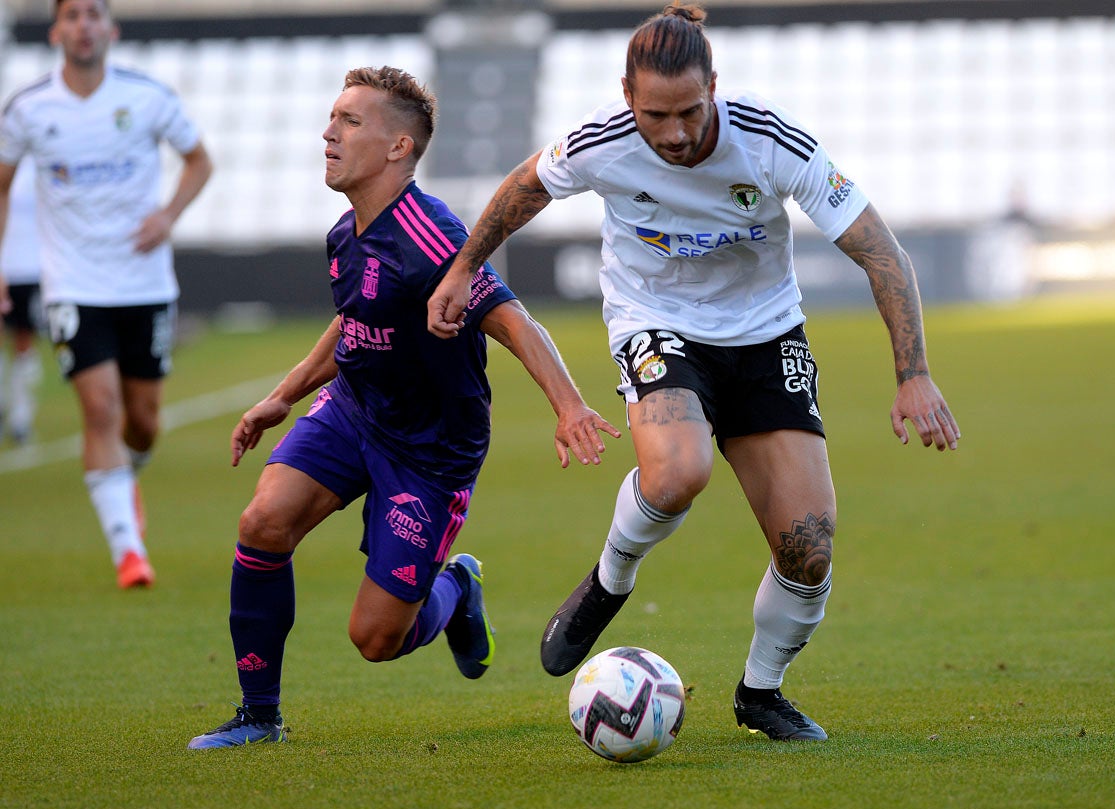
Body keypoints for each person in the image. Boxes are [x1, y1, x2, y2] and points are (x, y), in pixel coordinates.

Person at [428, 2, 961, 742]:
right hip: (656, 322)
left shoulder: (771, 140)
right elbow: (523, 190)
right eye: (655, 115)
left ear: (715, 84)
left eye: (689, 111)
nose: (674, 133)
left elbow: (879, 251)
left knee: (807, 548)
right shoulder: (599, 141)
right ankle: (610, 580)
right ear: (626, 96)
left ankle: (759, 693)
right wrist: (461, 270)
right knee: (679, 472)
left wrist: (914, 372)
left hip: (766, 334)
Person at [187, 66, 619, 750]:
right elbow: (354, 323)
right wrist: (282, 396)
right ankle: (258, 715)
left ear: (397, 147)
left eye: (349, 122)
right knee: (263, 522)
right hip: (353, 412)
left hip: (429, 452)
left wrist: (567, 405)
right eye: (331, 118)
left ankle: (455, 591)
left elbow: (511, 320)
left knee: (376, 639)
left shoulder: (429, 236)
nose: (328, 133)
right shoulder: (345, 234)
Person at [0, 0, 213, 588]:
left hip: (144, 284)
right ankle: (128, 551)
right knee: (99, 410)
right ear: (56, 31)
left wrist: (169, 215)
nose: (83, 25)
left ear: (110, 30)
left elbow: (199, 162)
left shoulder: (147, 97)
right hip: (71, 284)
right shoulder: (27, 109)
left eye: (94, 14)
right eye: (72, 15)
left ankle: (126, 479)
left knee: (142, 422)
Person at [0, 158, 42, 445]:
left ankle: (21, 418)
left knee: (24, 343)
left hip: (31, 270)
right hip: (3, 269)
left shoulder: (39, 163)